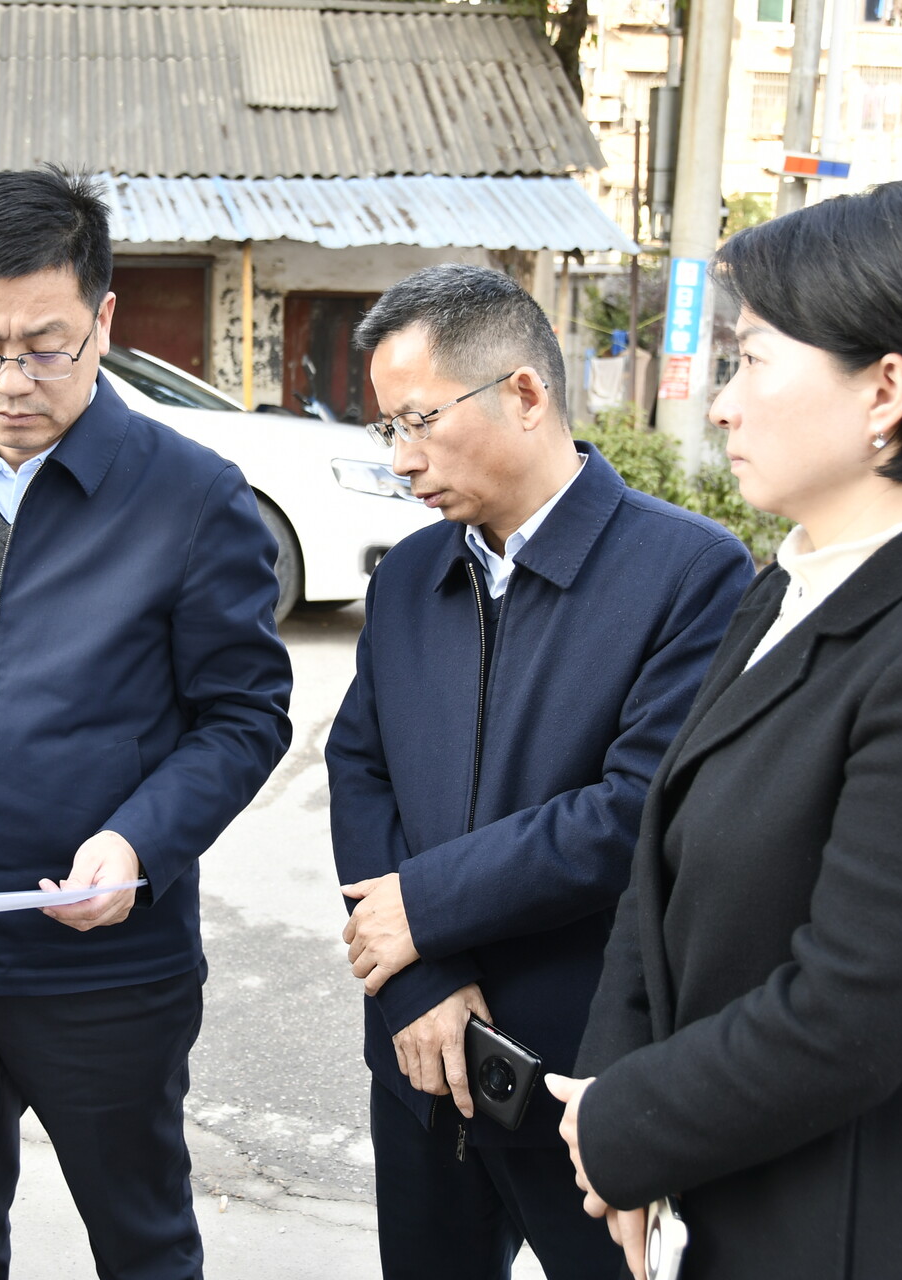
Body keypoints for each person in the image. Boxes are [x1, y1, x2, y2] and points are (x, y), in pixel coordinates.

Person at [552, 179, 902, 1280]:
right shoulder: (791, 584)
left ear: (886, 388)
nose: (724, 404)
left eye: (752, 360)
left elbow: (846, 1015)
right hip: (719, 1196)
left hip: (859, 1230)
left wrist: (622, 1128)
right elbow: (660, 874)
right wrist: (609, 1098)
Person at [0, 166, 293, 1279]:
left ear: (104, 319)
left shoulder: (194, 497)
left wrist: (137, 841)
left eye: (44, 346)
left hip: (103, 968)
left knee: (140, 1239)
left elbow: (244, 715)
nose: (7, 381)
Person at [325, 264, 753, 1280]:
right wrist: (417, 974)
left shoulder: (691, 572)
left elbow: (635, 808)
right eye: (388, 428)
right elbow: (358, 765)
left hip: (584, 1076)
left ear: (524, 392)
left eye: (420, 420)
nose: (403, 459)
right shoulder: (410, 578)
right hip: (422, 1054)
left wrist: (421, 908)